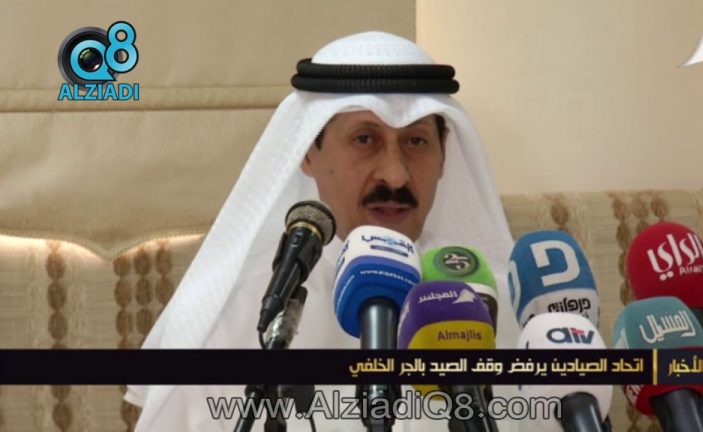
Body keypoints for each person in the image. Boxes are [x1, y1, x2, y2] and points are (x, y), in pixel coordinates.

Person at [126, 31, 519, 431]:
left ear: (443, 155)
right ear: (307, 153)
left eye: (416, 141)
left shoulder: (498, 309)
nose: (395, 175)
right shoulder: (239, 322)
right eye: (364, 139)